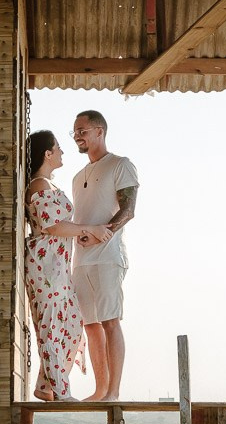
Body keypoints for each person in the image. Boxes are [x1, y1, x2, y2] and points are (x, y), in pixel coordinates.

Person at [23, 130, 113, 401]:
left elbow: (62, 227)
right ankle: (61, 392)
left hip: (59, 266)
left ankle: (45, 384)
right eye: (58, 148)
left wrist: (80, 233)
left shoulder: (48, 185)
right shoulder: (38, 185)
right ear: (47, 154)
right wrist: (88, 228)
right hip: (45, 264)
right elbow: (51, 226)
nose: (63, 152)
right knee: (51, 327)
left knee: (73, 327)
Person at [70, 110, 139, 401]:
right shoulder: (76, 177)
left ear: (100, 131)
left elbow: (129, 209)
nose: (77, 136)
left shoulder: (120, 164)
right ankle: (99, 390)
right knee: (89, 324)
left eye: (82, 130)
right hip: (81, 258)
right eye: (74, 132)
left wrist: (103, 232)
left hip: (108, 256)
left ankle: (113, 392)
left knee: (110, 320)